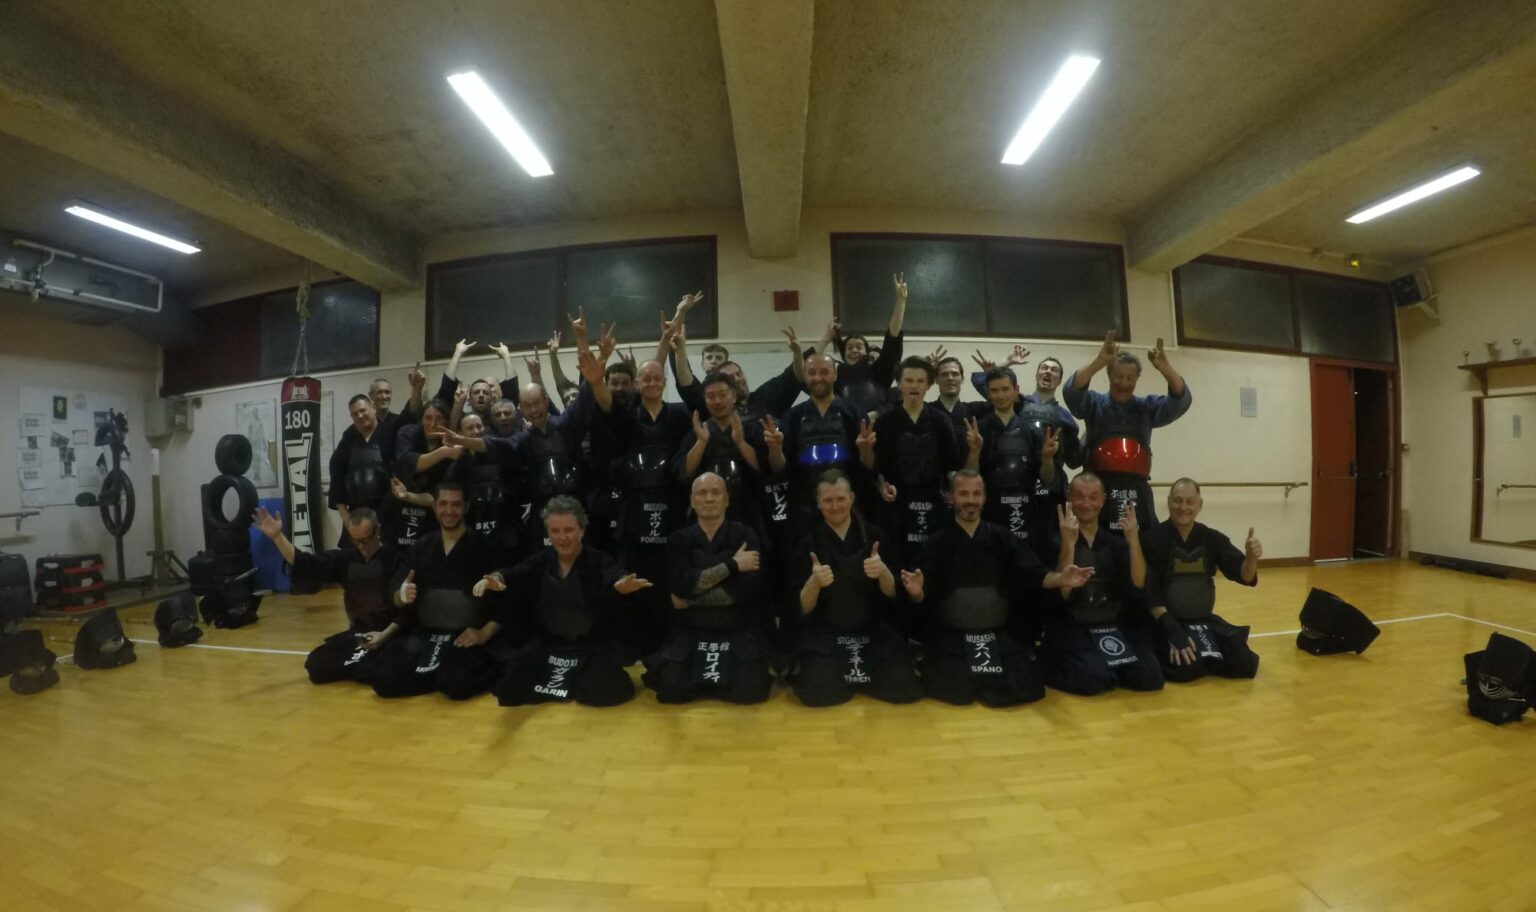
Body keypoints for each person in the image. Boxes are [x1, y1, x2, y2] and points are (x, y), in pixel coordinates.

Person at [899, 470, 1094, 707]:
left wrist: (1060, 578)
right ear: (951, 498)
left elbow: (1035, 574)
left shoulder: (1002, 538)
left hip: (995, 634)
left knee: (1029, 684)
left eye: (976, 494)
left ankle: (985, 683)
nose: (971, 500)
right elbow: (920, 593)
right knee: (955, 690)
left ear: (984, 497)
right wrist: (917, 592)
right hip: (952, 636)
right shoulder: (937, 541)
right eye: (964, 494)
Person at [478, 496, 652, 706]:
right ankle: (569, 682)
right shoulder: (543, 559)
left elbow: (614, 573)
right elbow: (515, 573)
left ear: (582, 530)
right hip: (550, 646)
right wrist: (496, 578)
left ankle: (572, 681)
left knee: (607, 691)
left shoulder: (597, 559)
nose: (562, 538)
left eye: (569, 530)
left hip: (589, 647)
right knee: (509, 689)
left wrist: (622, 584)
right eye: (555, 531)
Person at [792, 471, 921, 706]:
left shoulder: (875, 536)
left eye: (840, 499)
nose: (835, 506)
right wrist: (814, 584)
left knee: (904, 687)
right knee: (818, 693)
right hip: (828, 635)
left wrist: (883, 573)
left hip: (872, 632)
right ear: (818, 503)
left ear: (851, 498)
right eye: (828, 500)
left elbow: (894, 596)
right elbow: (801, 608)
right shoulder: (808, 544)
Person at [370, 482, 508, 700]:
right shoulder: (421, 546)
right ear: (434, 507)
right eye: (443, 504)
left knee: (455, 683)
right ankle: (437, 675)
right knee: (384, 679)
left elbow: (507, 599)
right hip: (426, 634)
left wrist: (484, 633)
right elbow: (398, 590)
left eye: (456, 504)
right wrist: (402, 594)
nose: (449, 511)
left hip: (465, 636)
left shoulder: (485, 547)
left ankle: (441, 675)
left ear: (466, 507)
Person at [644, 473, 772, 704]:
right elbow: (681, 586)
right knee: (671, 690)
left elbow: (745, 591)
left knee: (750, 691)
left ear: (727, 499)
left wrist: (690, 600)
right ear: (692, 501)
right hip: (692, 630)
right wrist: (732, 566)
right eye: (702, 493)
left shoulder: (746, 536)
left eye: (715, 492)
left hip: (736, 630)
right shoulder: (678, 539)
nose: (709, 498)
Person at [1039, 472, 1162, 695]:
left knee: (1150, 677)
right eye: (1079, 496)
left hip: (1111, 625)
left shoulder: (1115, 543)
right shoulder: (1054, 541)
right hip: (1073, 627)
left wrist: (1133, 540)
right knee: (1096, 680)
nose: (1086, 504)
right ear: (1069, 497)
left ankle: (1104, 664)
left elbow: (1139, 585)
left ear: (1103, 500)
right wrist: (1068, 544)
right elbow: (1062, 594)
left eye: (1093, 497)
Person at [256, 505, 400, 685]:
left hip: (390, 634)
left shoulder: (395, 557)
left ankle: (366, 663)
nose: (362, 547)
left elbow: (406, 608)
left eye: (366, 539)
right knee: (316, 666)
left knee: (388, 671)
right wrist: (278, 537)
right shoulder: (346, 559)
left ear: (378, 530)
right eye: (356, 541)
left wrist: (386, 634)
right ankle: (364, 663)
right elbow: (307, 563)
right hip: (361, 634)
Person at [1063, 332, 1191, 532]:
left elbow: (1179, 402)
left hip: (1136, 487)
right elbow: (1072, 392)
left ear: (1137, 379)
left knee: (1143, 542)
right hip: (1099, 487)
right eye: (1118, 377)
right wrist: (1100, 361)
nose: (1124, 383)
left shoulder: (1146, 407)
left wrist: (1165, 368)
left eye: (1130, 378)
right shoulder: (1095, 404)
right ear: (1109, 376)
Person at [1139, 479, 1262, 682]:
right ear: (1169, 502)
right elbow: (1151, 596)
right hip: (1167, 621)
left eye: (1190, 502)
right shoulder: (1153, 540)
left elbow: (1245, 576)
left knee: (1246, 664)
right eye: (1177, 501)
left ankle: (1206, 654)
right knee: (1185, 668)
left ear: (1199, 505)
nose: (1183, 507)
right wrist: (1171, 631)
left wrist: (1251, 559)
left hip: (1202, 620)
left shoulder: (1211, 538)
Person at [874, 356, 973, 573]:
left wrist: (958, 491)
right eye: (909, 380)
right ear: (899, 383)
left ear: (929, 385)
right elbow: (878, 467)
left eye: (920, 381)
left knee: (933, 563)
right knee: (898, 563)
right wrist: (882, 485)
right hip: (897, 503)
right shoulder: (885, 421)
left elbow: (952, 465)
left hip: (933, 501)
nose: (914, 386)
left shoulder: (940, 420)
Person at [973, 368, 1058, 555]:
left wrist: (1047, 458)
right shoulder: (979, 430)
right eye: (994, 391)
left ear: (1016, 390)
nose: (1000, 395)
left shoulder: (1032, 431)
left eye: (1005, 389)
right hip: (990, 509)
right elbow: (971, 476)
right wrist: (974, 451)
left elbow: (1047, 478)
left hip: (1026, 509)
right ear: (988, 394)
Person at [831, 273, 909, 418]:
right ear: (843, 354)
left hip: (878, 427)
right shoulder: (835, 374)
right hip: (845, 428)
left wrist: (901, 302)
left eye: (859, 347)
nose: (854, 350)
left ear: (867, 352)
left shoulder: (879, 371)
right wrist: (826, 338)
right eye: (849, 347)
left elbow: (892, 338)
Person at [391, 399, 462, 549]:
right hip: (400, 512)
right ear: (421, 419)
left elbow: (438, 497)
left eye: (439, 418)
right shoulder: (408, 432)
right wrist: (443, 452)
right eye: (428, 418)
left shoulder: (452, 447)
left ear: (446, 421)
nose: (433, 423)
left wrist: (408, 496)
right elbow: (409, 464)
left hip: (433, 517)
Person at [329, 394, 396, 545]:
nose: (359, 416)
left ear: (373, 408)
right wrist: (346, 518)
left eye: (362, 410)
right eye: (355, 414)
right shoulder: (347, 441)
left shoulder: (390, 433)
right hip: (356, 515)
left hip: (388, 514)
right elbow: (336, 481)